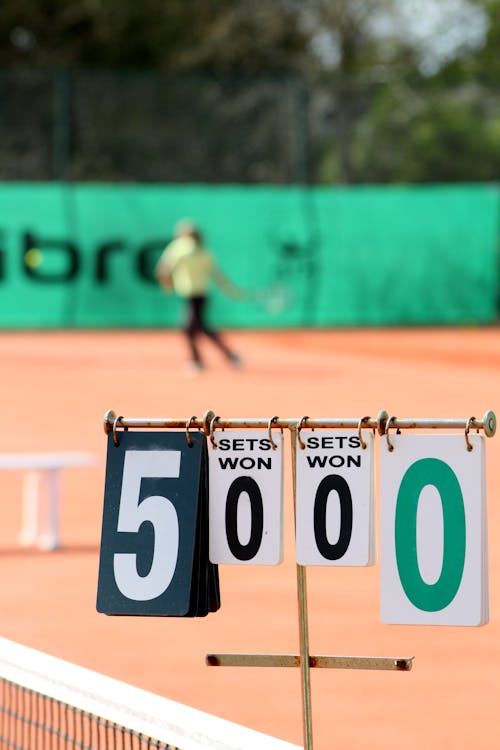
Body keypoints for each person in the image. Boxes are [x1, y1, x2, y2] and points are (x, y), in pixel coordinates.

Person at [155, 220, 244, 372]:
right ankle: (229, 355)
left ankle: (198, 362)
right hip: (193, 295)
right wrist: (230, 290)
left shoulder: (183, 248)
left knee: (189, 328)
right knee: (200, 327)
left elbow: (163, 271)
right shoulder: (198, 250)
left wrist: (167, 285)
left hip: (198, 295)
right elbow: (217, 276)